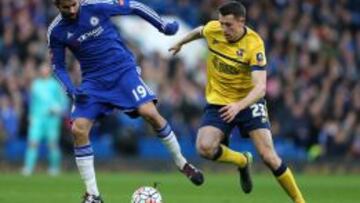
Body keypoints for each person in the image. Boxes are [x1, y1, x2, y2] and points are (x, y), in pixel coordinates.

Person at [48, 0, 204, 202]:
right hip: (93, 83)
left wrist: (162, 26)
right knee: (78, 129)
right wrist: (71, 90)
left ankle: (182, 163)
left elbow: (134, 6)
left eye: (73, 4)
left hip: (123, 72)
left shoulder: (96, 6)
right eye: (65, 7)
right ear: (56, 6)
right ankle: (93, 194)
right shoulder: (56, 31)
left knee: (150, 113)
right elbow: (58, 67)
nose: (71, 10)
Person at [169, 1, 305, 203]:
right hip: (219, 102)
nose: (223, 29)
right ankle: (242, 161)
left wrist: (238, 106)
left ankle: (300, 201)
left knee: (269, 156)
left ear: (242, 21)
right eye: (221, 23)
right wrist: (181, 42)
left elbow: (260, 88)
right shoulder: (215, 29)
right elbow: (200, 31)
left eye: (228, 25)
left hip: (248, 101)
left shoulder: (254, 44)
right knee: (204, 148)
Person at [22, 64, 68, 176]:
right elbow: (32, 102)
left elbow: (64, 102)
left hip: (52, 119)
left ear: (49, 71)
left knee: (52, 144)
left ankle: (54, 168)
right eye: (42, 70)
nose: (44, 72)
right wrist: (31, 115)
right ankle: (28, 168)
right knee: (32, 143)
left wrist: (58, 109)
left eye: (46, 70)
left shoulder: (55, 85)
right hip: (37, 118)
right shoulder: (36, 84)